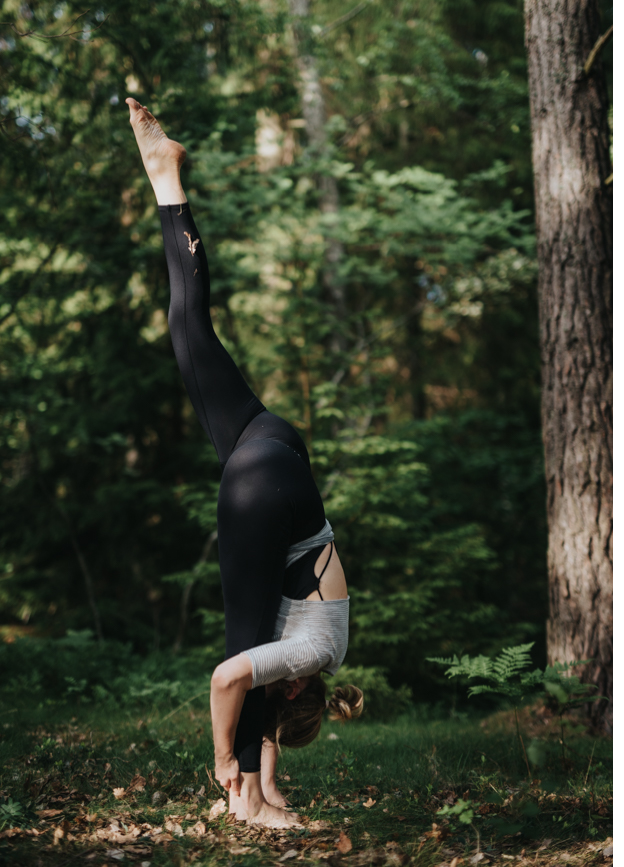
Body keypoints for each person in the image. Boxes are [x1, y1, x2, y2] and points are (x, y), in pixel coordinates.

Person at [128, 98, 364, 829]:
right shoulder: (306, 653)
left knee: (189, 329)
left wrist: (267, 756)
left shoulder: (325, 651)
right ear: (298, 691)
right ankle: (249, 805)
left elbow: (270, 698)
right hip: (262, 490)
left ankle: (166, 177)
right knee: (243, 640)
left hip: (276, 446)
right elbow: (231, 678)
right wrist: (228, 761)